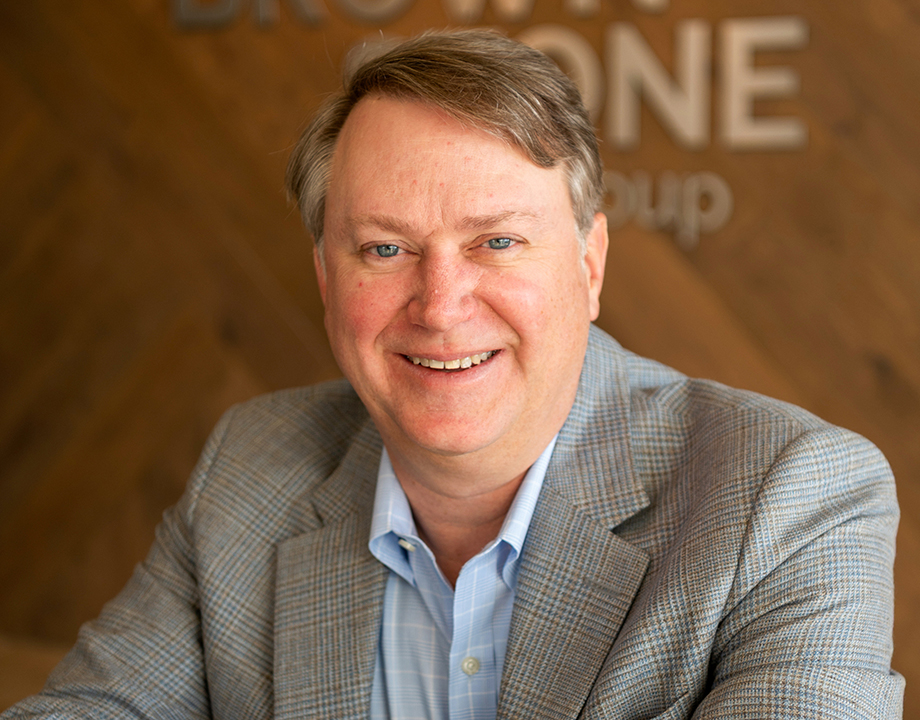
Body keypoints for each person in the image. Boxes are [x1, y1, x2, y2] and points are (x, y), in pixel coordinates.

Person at [3, 29, 902, 720]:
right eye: (384, 248)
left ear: (588, 266)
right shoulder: (251, 467)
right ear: (327, 281)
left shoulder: (791, 499)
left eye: (496, 242)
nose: (439, 305)